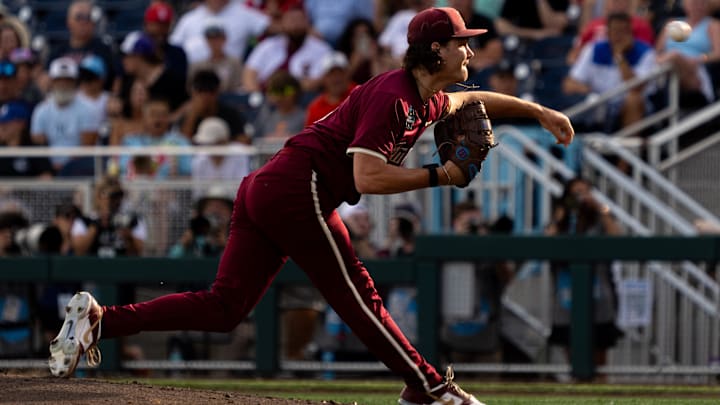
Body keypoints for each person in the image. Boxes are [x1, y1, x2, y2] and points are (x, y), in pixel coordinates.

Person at [48, 7, 573, 404]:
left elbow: (474, 102)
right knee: (360, 298)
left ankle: (98, 323)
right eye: (461, 43)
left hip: (269, 187)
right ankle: (429, 389)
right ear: (435, 50)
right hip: (300, 192)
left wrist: (541, 111)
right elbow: (368, 175)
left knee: (226, 307)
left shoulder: (425, 97)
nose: (469, 51)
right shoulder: (395, 97)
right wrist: (441, 175)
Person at [545, 177, 623, 376]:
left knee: (599, 359)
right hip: (566, 302)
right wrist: (561, 215)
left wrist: (600, 208)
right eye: (575, 192)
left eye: (585, 191)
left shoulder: (598, 219)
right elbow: (547, 242)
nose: (580, 197)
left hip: (599, 301)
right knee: (573, 359)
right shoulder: (562, 222)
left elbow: (617, 237)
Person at [562, 12, 658, 133]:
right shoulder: (593, 49)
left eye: (624, 31)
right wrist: (590, 92)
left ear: (631, 33)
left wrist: (619, 56)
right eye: (616, 31)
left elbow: (636, 87)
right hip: (599, 103)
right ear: (608, 33)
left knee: (633, 100)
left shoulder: (646, 53)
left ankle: (628, 146)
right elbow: (570, 84)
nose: (620, 36)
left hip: (632, 107)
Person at [31, 57, 101, 175]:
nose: (63, 85)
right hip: (48, 168)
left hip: (79, 168)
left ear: (75, 82)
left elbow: (87, 146)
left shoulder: (89, 109)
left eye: (68, 80)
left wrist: (65, 167)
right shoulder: (41, 110)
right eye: (59, 80)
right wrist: (47, 168)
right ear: (52, 82)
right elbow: (38, 143)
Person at [242, 5, 333, 93]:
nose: (296, 25)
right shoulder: (268, 45)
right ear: (282, 23)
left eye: (300, 20)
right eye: (291, 20)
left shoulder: (322, 49)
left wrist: (281, 91)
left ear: (307, 22)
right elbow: (249, 74)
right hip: (263, 98)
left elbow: (314, 83)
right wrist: (257, 96)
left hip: (299, 100)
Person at [655, 0, 720, 108]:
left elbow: (718, 53)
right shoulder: (672, 23)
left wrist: (699, 59)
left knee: (674, 56)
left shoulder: (713, 25)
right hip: (667, 67)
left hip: (696, 70)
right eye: (693, 3)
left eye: (701, 3)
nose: (697, 6)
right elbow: (658, 51)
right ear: (685, 5)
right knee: (672, 58)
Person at [304, 51, 354, 126]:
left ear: (347, 74)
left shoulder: (359, 94)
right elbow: (310, 136)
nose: (337, 78)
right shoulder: (315, 108)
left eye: (340, 73)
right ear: (324, 78)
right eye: (331, 74)